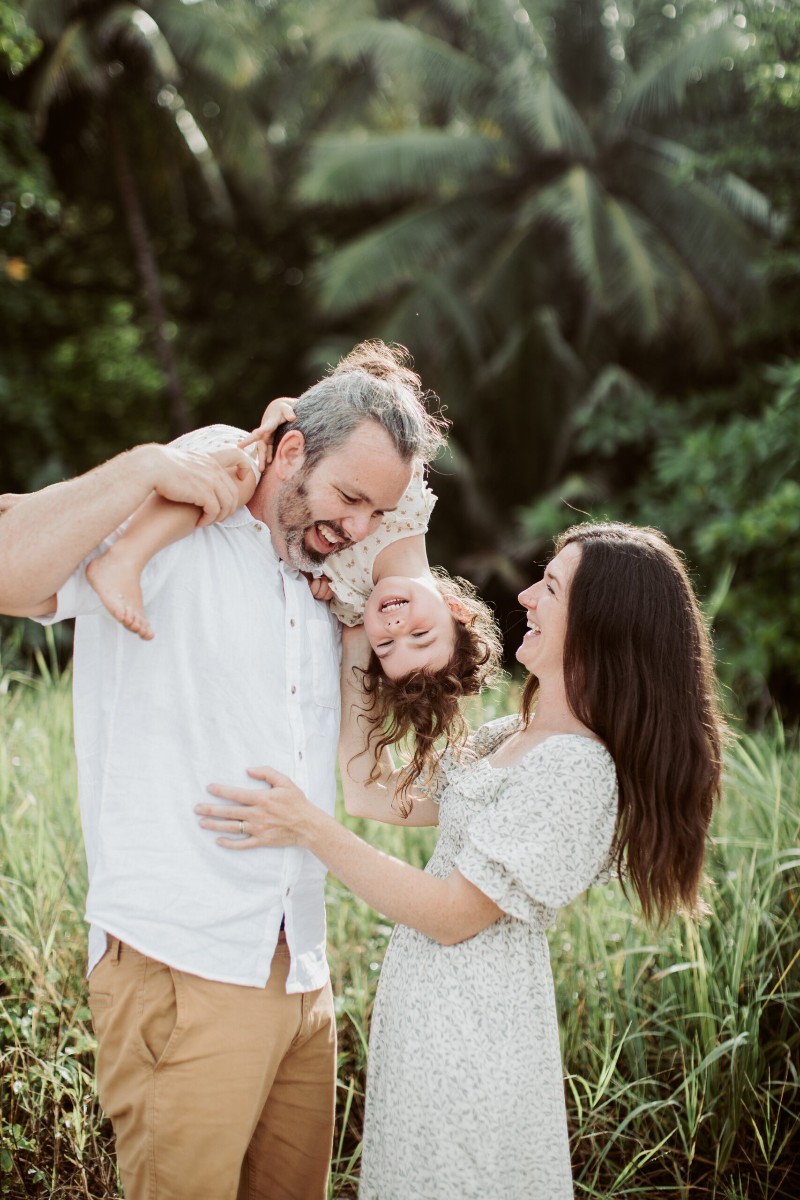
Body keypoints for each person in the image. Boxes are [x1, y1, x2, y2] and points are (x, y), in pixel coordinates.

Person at [1, 340, 445, 1200]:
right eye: (348, 498)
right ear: (290, 451)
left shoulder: (332, 579)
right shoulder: (175, 520)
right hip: (181, 963)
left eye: (375, 512)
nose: (356, 527)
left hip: (301, 970)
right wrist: (144, 467)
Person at [196, 521, 725, 1200]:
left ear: (603, 624)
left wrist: (305, 827)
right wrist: (356, 637)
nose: (526, 595)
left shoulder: (576, 769)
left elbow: (452, 915)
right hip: (427, 1025)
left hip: (475, 1039)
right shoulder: (514, 737)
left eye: (551, 588)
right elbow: (371, 792)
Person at [79, 408, 502, 793]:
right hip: (263, 463)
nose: (394, 630)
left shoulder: (347, 602)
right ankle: (126, 556)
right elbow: (351, 422)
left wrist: (322, 580)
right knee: (242, 471)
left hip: (260, 504)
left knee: (236, 480)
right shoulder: (405, 499)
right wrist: (283, 410)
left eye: (387, 646)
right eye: (421, 635)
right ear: (456, 608)